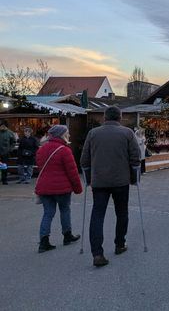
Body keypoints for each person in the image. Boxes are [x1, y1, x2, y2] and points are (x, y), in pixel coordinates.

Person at [81, 106, 141, 268]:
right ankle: (120, 244)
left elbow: (84, 159)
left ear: (104, 117)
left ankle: (97, 253)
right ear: (120, 118)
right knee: (122, 212)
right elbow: (136, 157)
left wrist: (88, 179)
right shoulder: (127, 133)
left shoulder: (93, 133)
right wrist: (135, 178)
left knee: (97, 214)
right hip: (121, 181)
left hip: (99, 181)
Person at [35, 125, 83, 253]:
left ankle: (44, 241)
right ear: (62, 135)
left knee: (47, 213)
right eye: (67, 133)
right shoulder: (64, 150)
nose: (69, 135)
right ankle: (67, 235)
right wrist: (78, 188)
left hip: (45, 186)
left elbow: (41, 169)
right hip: (62, 187)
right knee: (65, 210)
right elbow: (72, 172)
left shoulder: (41, 150)